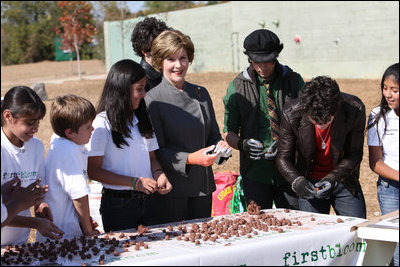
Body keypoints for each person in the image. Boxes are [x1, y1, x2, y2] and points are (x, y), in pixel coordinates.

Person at [145, 29, 232, 224]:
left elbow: (213, 135)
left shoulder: (201, 93)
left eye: (183, 58)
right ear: (160, 62)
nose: (178, 65)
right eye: (171, 59)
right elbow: (155, 152)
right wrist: (192, 159)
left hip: (202, 186)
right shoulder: (152, 100)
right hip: (171, 190)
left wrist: (220, 146)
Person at [87, 59, 172, 232]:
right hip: (118, 206)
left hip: (150, 202)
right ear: (122, 89)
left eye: (144, 88)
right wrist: (135, 183)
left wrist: (159, 174)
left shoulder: (141, 119)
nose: (143, 94)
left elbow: (152, 158)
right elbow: (93, 171)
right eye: (139, 89)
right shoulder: (102, 124)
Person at [222, 29, 303, 210]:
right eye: (257, 62)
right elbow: (229, 132)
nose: (262, 68)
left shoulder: (293, 81)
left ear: (276, 57)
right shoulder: (237, 87)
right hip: (255, 173)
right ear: (249, 59)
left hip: (290, 171)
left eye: (268, 61)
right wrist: (243, 144)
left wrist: (286, 143)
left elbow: (307, 124)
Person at [276, 75, 367, 218]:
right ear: (305, 110)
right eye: (315, 119)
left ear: (336, 108)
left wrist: (333, 178)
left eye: (327, 120)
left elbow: (355, 153)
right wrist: (297, 181)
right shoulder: (291, 113)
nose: (320, 124)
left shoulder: (354, 109)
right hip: (309, 181)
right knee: (312, 232)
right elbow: (283, 156)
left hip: (343, 179)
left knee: (357, 228)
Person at [1, 86, 64, 245]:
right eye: (29, 122)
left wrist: (40, 206)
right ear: (8, 116)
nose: (36, 128)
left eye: (38, 122)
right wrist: (34, 223)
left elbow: (35, 189)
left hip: (19, 243)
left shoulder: (36, 146)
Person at [38, 94, 100, 240]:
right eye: (88, 126)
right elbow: (79, 196)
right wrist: (88, 230)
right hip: (64, 235)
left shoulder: (64, 144)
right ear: (69, 132)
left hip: (62, 230)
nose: (93, 129)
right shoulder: (68, 150)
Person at [367, 63, 399, 266]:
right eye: (385, 88)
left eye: (395, 90)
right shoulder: (377, 116)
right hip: (390, 190)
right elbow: (375, 162)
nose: (388, 94)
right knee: (395, 247)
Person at [131, 16, 172, 92]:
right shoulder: (140, 82)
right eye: (159, 50)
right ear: (145, 52)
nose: (165, 53)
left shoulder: (167, 73)